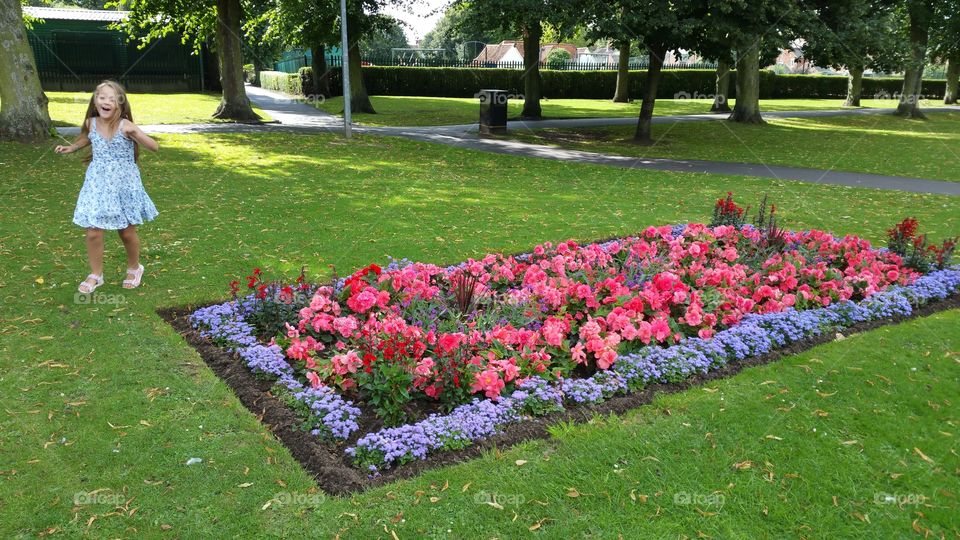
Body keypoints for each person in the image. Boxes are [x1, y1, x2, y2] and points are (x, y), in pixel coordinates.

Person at [55, 80, 159, 293]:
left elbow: (154, 146)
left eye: (112, 99)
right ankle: (96, 274)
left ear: (120, 104)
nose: (106, 102)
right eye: (102, 97)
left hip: (124, 185)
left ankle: (134, 267)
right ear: (95, 101)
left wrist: (137, 134)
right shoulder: (90, 123)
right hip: (97, 183)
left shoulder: (125, 126)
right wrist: (72, 147)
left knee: (126, 232)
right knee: (93, 231)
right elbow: (87, 138)